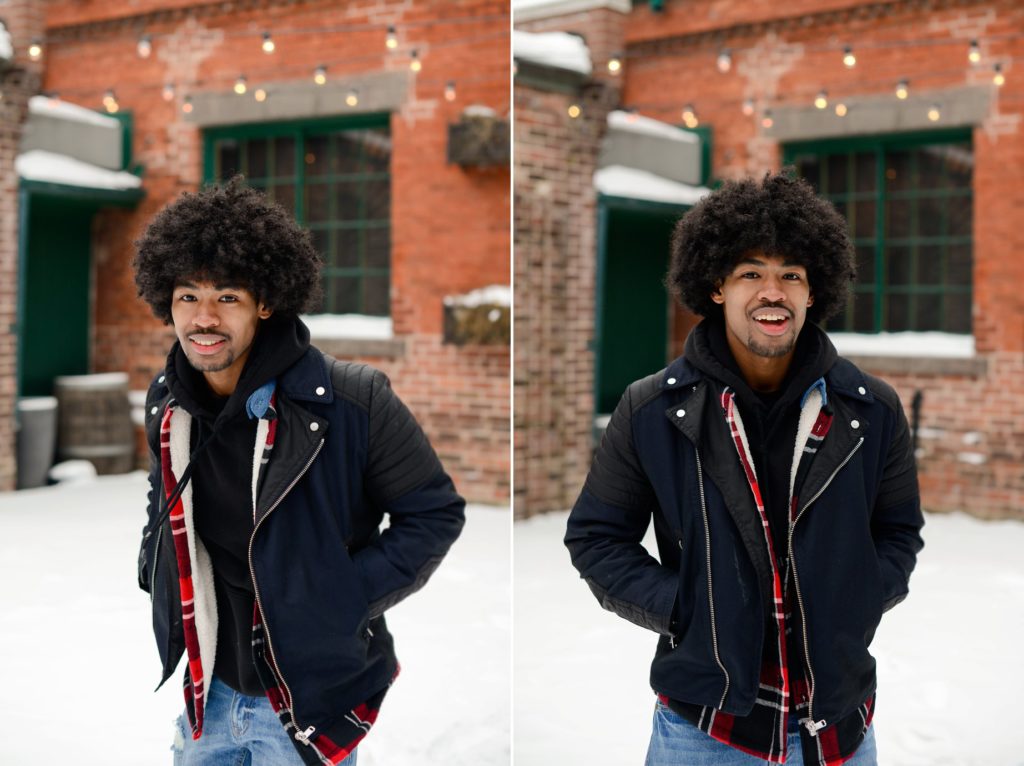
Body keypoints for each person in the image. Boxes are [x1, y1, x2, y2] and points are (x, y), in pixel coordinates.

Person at [565, 172, 924, 766]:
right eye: (751, 273)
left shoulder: (871, 409)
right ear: (716, 287)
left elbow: (897, 533)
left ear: (814, 292)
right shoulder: (651, 409)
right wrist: (688, 608)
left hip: (839, 727)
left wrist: (855, 600)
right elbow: (597, 539)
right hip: (705, 731)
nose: (772, 291)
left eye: (791, 275)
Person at [133, 179, 466, 766]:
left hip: (302, 701)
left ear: (265, 302)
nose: (203, 319)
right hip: (206, 690)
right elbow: (164, 496)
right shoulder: (170, 401)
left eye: (226, 297)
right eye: (188, 297)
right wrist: (151, 563)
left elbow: (433, 513)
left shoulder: (350, 399)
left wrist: (342, 595)